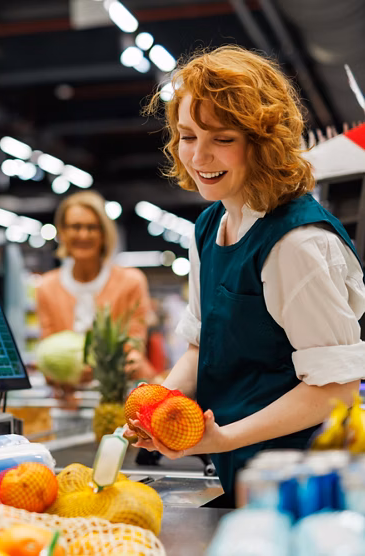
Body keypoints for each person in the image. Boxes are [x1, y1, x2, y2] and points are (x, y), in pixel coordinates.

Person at [126, 45, 365, 506]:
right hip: (243, 475)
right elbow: (202, 344)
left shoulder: (297, 244)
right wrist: (155, 405)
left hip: (308, 486)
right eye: (188, 135)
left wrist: (223, 438)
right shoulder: (210, 225)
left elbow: (334, 390)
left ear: (263, 141)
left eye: (223, 138)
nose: (199, 156)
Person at [36, 190, 155, 397]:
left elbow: (135, 342)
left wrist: (123, 364)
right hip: (70, 398)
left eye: (92, 227)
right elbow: (49, 346)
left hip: (124, 396)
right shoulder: (47, 287)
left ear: (104, 233)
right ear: (62, 233)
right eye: (75, 227)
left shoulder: (131, 282)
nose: (84, 235)